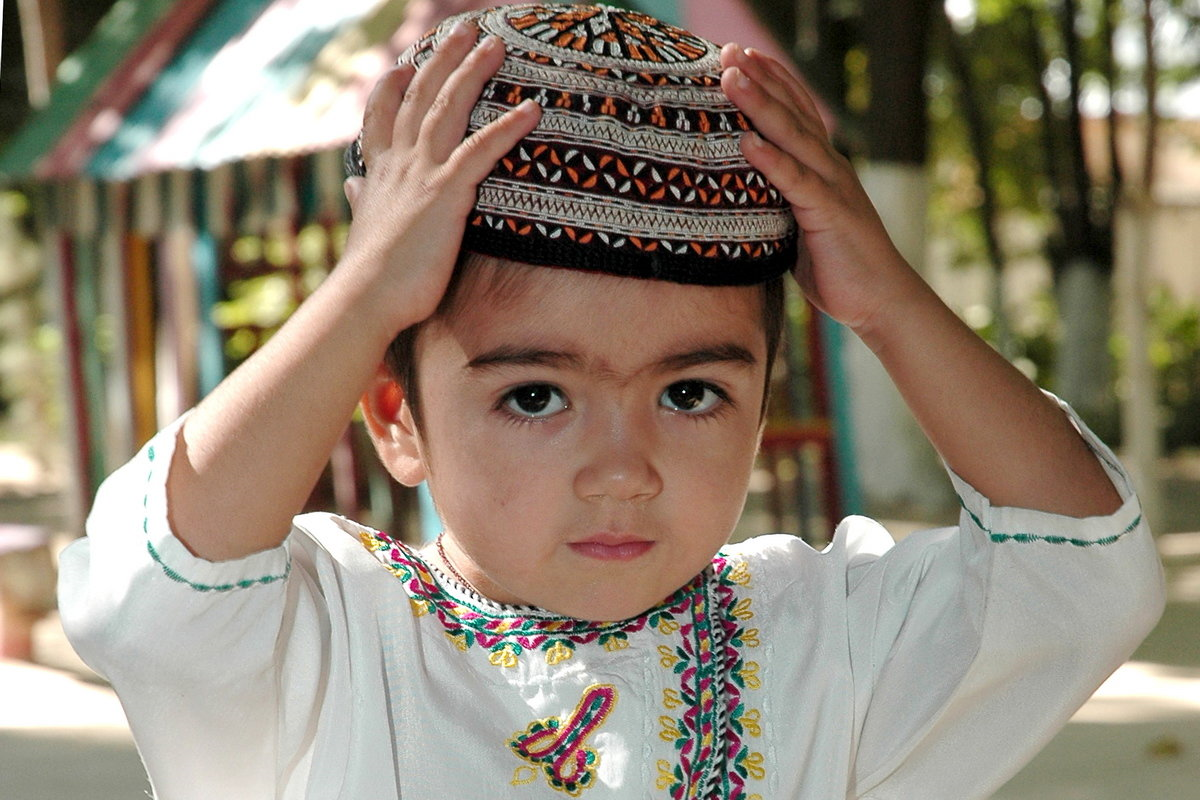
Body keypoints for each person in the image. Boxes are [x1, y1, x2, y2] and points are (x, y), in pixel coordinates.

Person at [59, 5, 1164, 798]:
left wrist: (888, 303)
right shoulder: (330, 635)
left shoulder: (823, 640)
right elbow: (150, 588)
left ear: (762, 403)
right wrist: (362, 297)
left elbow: (1077, 567)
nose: (623, 468)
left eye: (690, 391)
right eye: (536, 395)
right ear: (396, 415)